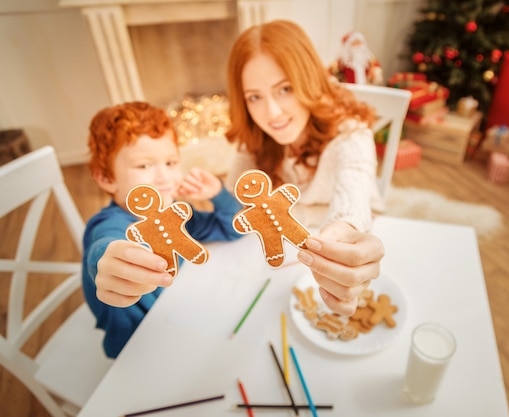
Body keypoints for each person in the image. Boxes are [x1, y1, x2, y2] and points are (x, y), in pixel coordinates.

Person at [224, 20, 386, 316]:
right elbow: (233, 201)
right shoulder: (256, 136)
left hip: (314, 263)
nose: (272, 113)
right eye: (255, 97)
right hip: (271, 271)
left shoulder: (350, 135)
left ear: (307, 80)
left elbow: (352, 203)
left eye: (284, 89)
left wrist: (343, 231)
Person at [83, 101, 242, 358]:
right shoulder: (111, 225)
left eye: (170, 163)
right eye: (144, 166)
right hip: (138, 345)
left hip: (181, 313)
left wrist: (218, 194)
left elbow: (234, 228)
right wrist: (106, 259)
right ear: (107, 178)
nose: (164, 178)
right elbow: (102, 248)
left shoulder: (174, 213)